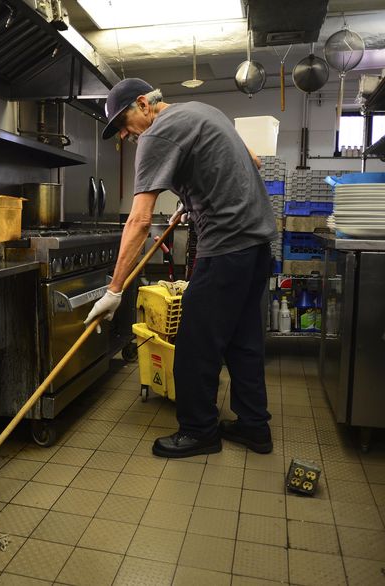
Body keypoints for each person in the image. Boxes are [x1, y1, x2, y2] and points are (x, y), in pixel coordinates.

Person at [83, 78, 277, 458]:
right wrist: (194, 198)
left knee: (193, 344)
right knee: (244, 339)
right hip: (257, 245)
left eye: (124, 123)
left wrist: (114, 290)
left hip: (226, 245)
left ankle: (199, 431)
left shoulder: (156, 134)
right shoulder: (203, 111)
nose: (124, 135)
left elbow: (138, 221)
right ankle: (255, 428)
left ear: (143, 104)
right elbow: (250, 160)